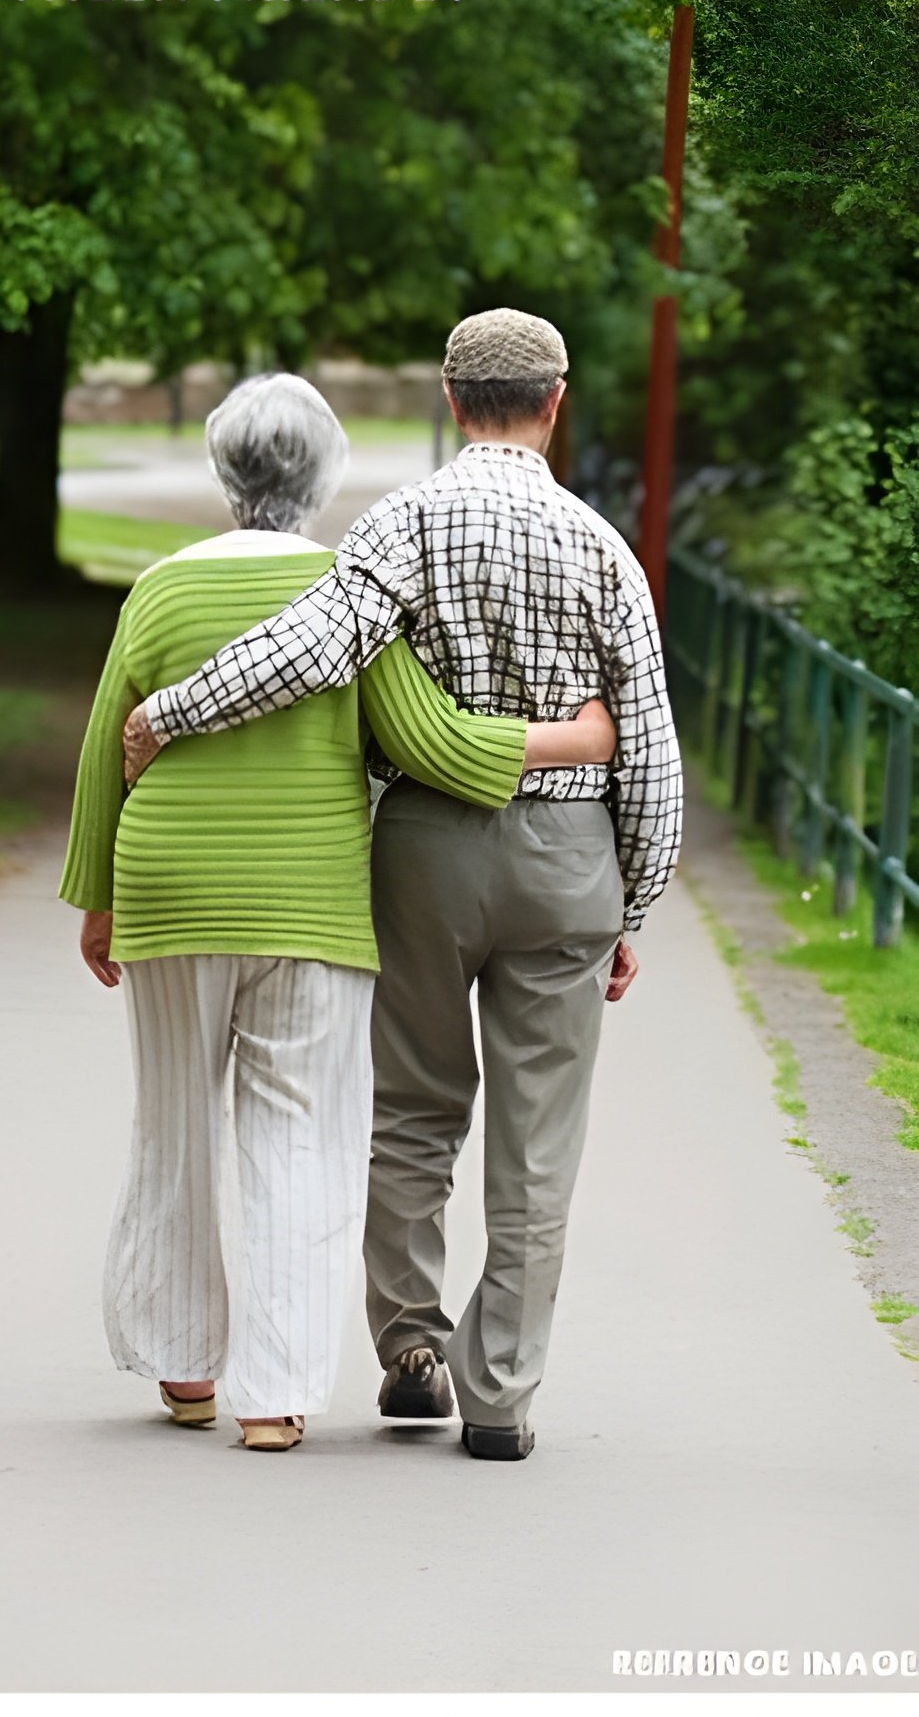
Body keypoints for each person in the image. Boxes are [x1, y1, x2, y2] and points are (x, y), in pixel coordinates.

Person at [121, 311, 684, 1462]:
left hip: (426, 850)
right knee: (538, 1147)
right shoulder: (602, 549)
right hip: (570, 854)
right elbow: (650, 749)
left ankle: (412, 1345)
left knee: (414, 1109)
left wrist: (166, 713)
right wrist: (633, 902)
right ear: (556, 399)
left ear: (447, 395)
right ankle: (501, 1393)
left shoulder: (400, 527)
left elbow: (301, 653)